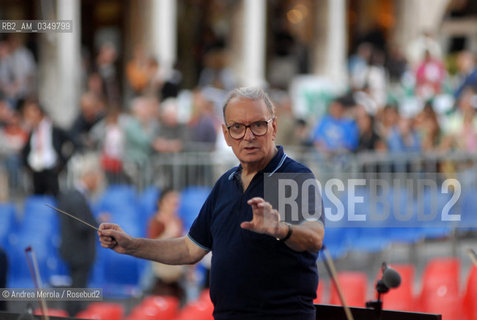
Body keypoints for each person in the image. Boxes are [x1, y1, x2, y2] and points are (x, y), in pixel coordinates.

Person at [99, 87, 325, 320]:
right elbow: (190, 248)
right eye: (237, 128)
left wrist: (281, 229)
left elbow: (314, 236)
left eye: (258, 125)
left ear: (274, 127)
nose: (248, 136)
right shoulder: (225, 184)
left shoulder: (292, 177)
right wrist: (131, 245)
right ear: (226, 135)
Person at [57, 154, 102, 316]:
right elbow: (82, 226)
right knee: (77, 290)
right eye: (96, 176)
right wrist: (97, 223)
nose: (98, 181)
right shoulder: (77, 197)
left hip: (73, 250)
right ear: (88, 176)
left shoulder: (70, 195)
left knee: (75, 288)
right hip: (79, 252)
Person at [21, 100, 74, 196]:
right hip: (36, 170)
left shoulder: (54, 129)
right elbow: (26, 150)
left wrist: (62, 161)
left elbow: (71, 142)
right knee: (38, 198)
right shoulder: (32, 131)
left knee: (55, 197)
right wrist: (27, 164)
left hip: (51, 169)